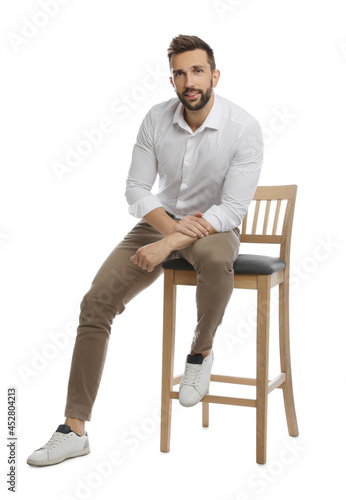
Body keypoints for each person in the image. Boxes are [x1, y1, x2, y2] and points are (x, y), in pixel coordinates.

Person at [27, 34, 263, 467]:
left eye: (196, 70)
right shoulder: (156, 119)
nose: (188, 81)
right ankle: (74, 428)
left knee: (213, 257)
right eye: (179, 72)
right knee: (96, 302)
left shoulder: (244, 127)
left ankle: (201, 351)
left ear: (214, 75)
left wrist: (171, 244)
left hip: (214, 226)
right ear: (171, 78)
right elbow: (136, 188)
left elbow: (231, 207)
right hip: (160, 219)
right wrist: (168, 230)